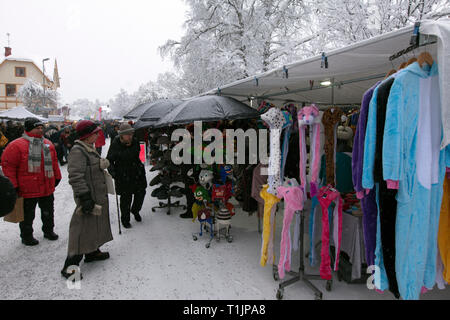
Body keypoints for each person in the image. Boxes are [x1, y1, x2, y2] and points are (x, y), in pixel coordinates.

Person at [61, 120, 113, 279]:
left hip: (96, 195)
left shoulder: (88, 148)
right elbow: (76, 176)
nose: (98, 135)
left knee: (94, 225)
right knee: (81, 229)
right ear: (87, 135)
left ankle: (92, 252)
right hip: (88, 197)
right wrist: (85, 197)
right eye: (95, 133)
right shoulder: (78, 151)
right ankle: (70, 266)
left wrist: (100, 165)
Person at [1, 118, 62, 246]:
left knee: (48, 212)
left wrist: (57, 176)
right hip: (27, 188)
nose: (40, 130)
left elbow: (54, 162)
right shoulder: (16, 145)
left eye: (41, 128)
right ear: (28, 129)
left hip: (46, 186)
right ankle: (27, 235)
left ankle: (48, 230)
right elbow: (9, 167)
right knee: (28, 215)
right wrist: (14, 186)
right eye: (37, 128)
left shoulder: (47, 143)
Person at [107, 123, 147, 228]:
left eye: (131, 134)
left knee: (141, 193)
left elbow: (140, 155)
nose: (130, 136)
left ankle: (135, 210)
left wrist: (141, 165)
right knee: (126, 198)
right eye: (127, 134)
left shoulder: (135, 141)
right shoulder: (115, 144)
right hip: (123, 174)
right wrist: (112, 172)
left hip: (137, 172)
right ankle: (125, 219)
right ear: (121, 135)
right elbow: (109, 160)